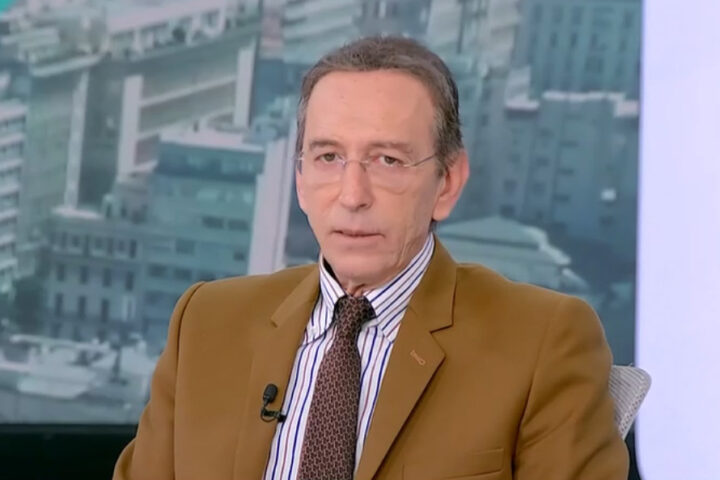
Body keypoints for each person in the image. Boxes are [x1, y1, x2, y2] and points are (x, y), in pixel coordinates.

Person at [113, 36, 628, 480]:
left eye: (388, 160)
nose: (352, 195)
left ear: (448, 183)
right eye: (328, 157)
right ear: (299, 179)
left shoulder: (544, 342)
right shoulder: (205, 323)